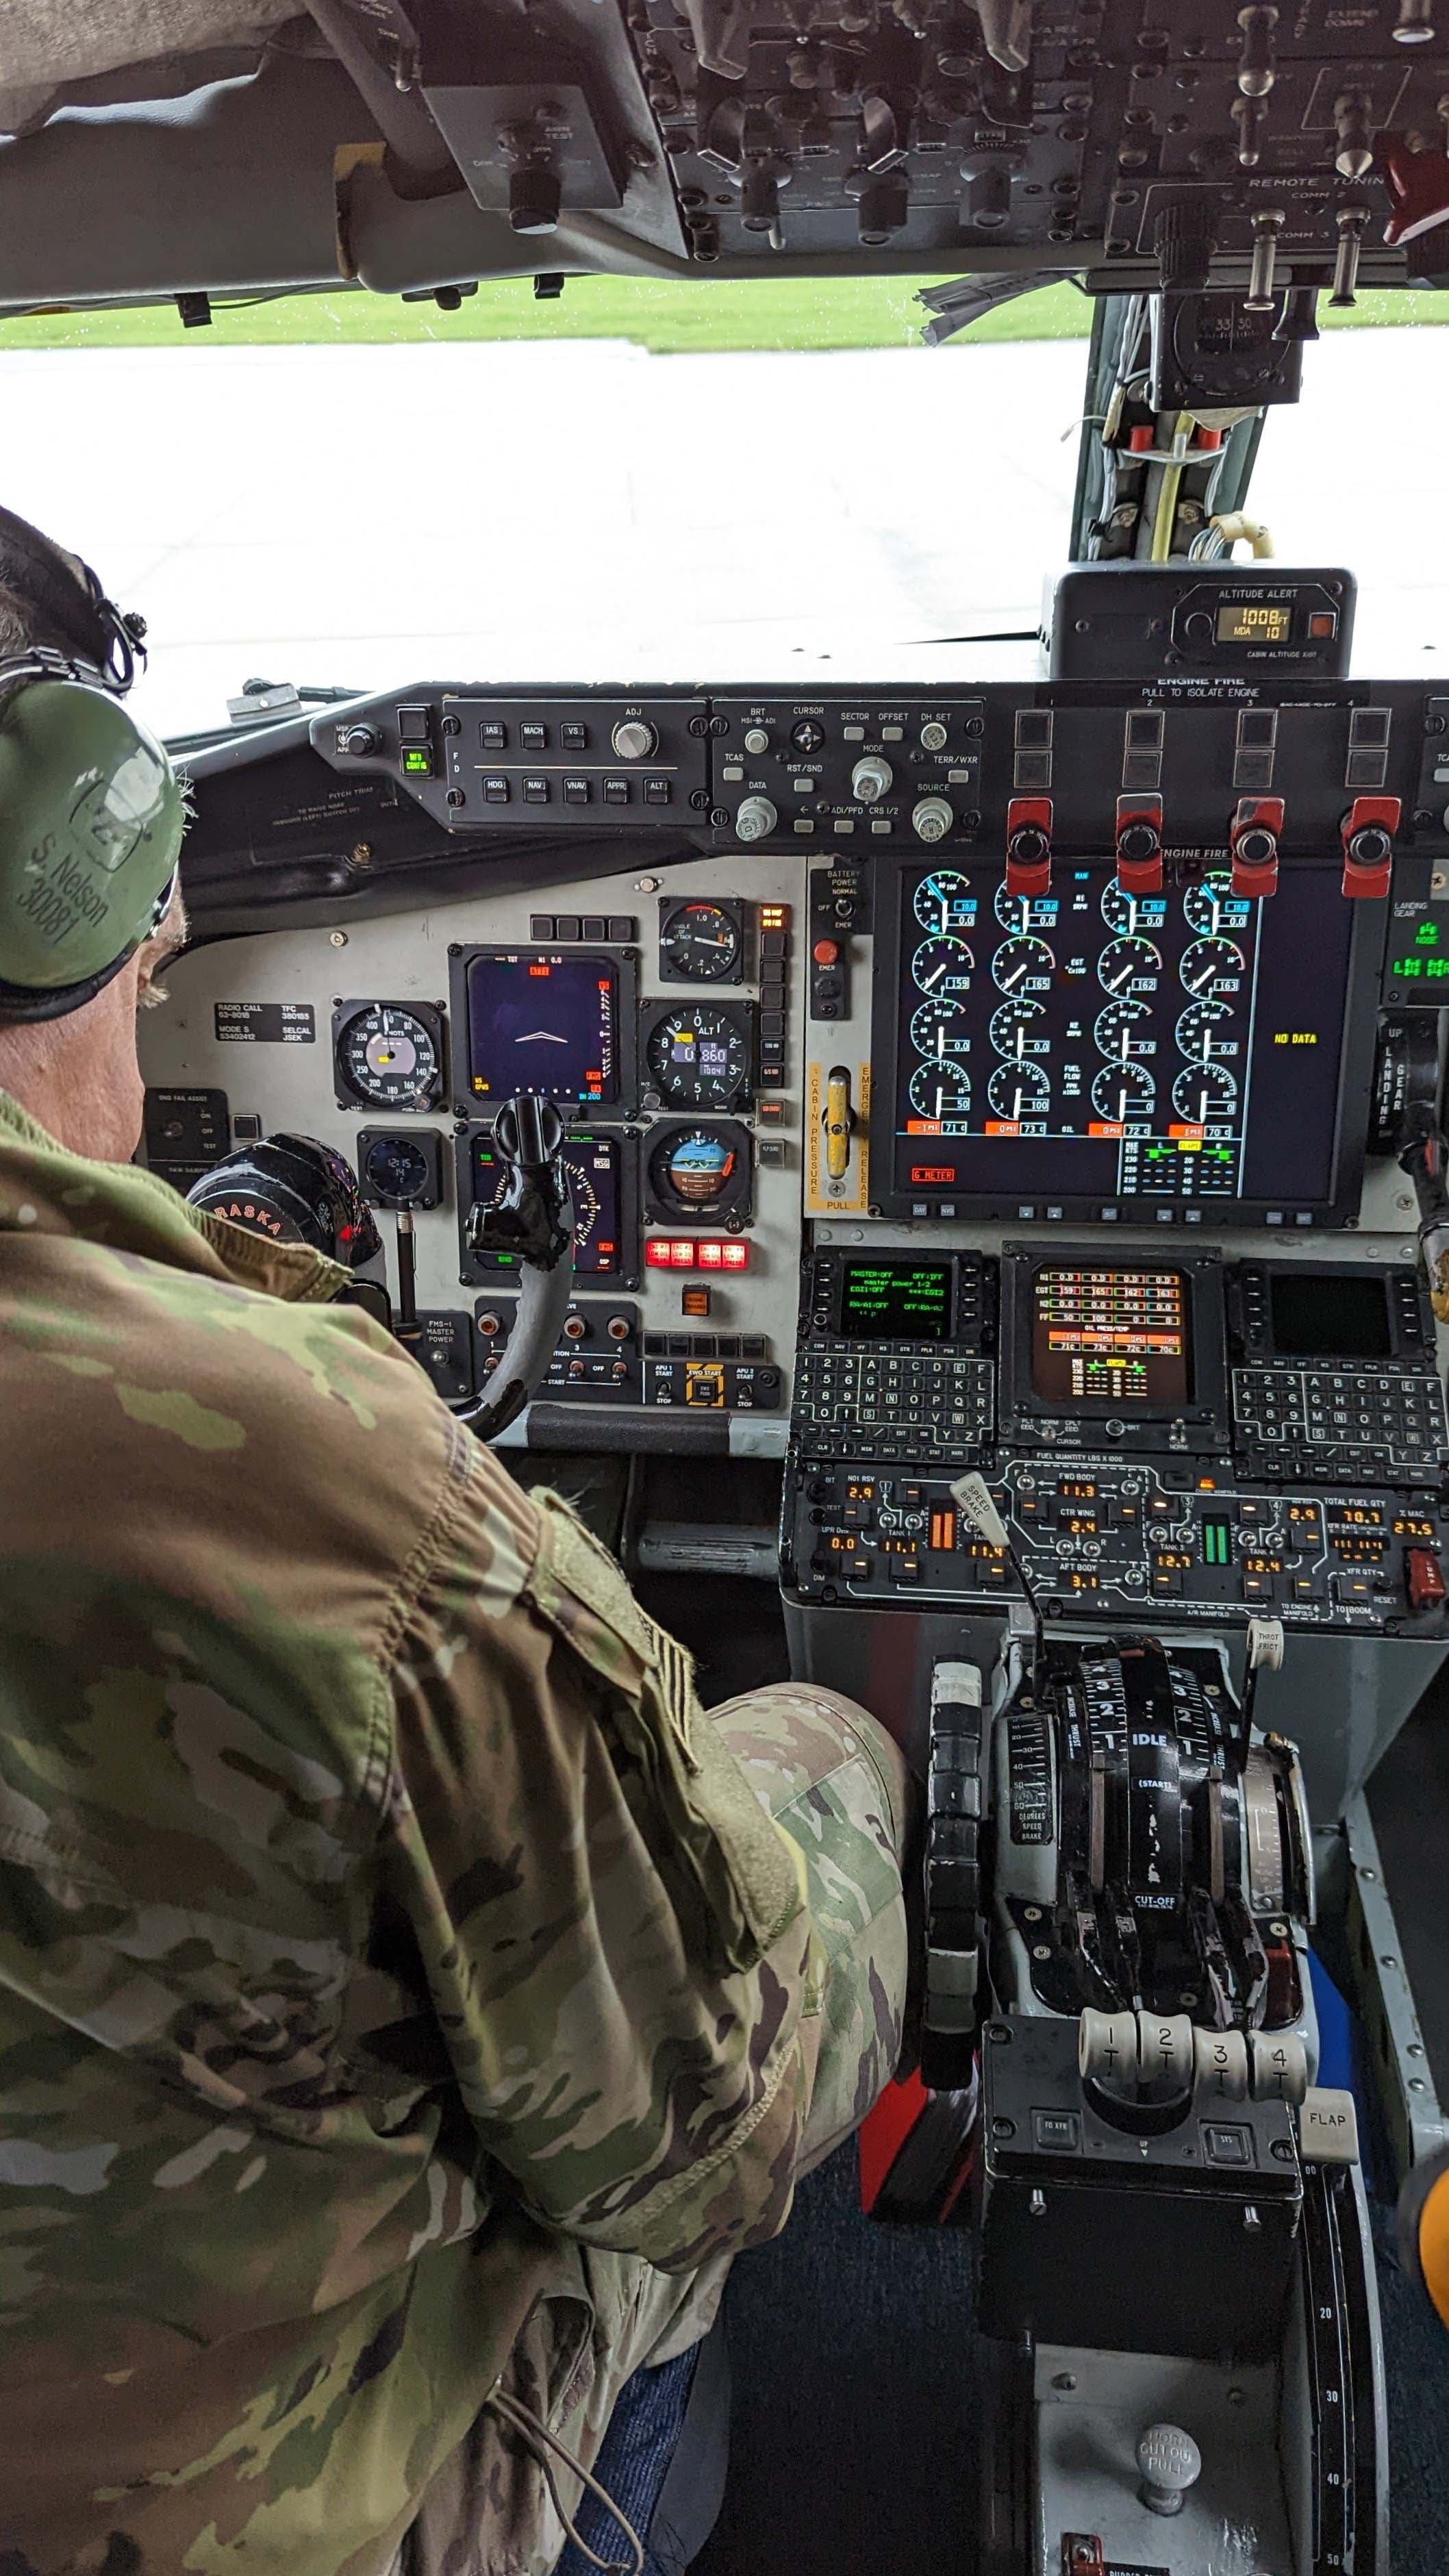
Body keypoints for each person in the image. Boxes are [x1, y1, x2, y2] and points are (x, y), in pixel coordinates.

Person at [0, 506, 915, 2576]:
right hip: (248, 2518)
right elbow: (709, 2132)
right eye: (140, 951)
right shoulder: (334, 1498)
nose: (162, 965)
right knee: (823, 1764)